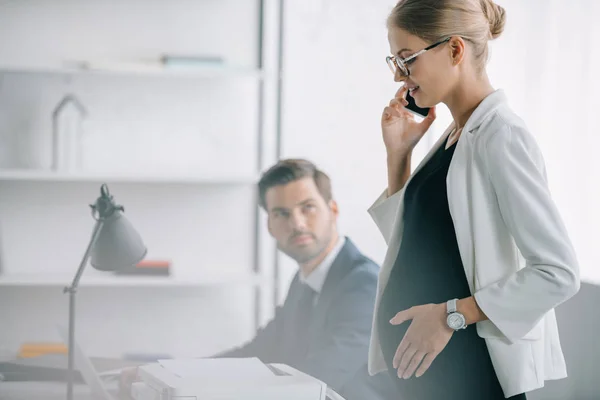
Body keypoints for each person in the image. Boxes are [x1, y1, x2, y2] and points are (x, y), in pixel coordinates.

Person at [367, 1, 580, 400]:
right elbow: (412, 246)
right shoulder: (457, 135)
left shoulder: (501, 136)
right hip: (432, 380)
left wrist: (452, 315)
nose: (399, 75)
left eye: (406, 58)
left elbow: (558, 272)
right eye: (394, 61)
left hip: (471, 378)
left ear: (454, 50)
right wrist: (399, 159)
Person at [120, 159, 395, 400]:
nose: (297, 223)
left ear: (333, 210)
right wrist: (165, 374)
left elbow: (314, 381)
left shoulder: (363, 283)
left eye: (307, 207)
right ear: (270, 225)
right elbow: (261, 351)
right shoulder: (304, 282)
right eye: (282, 213)